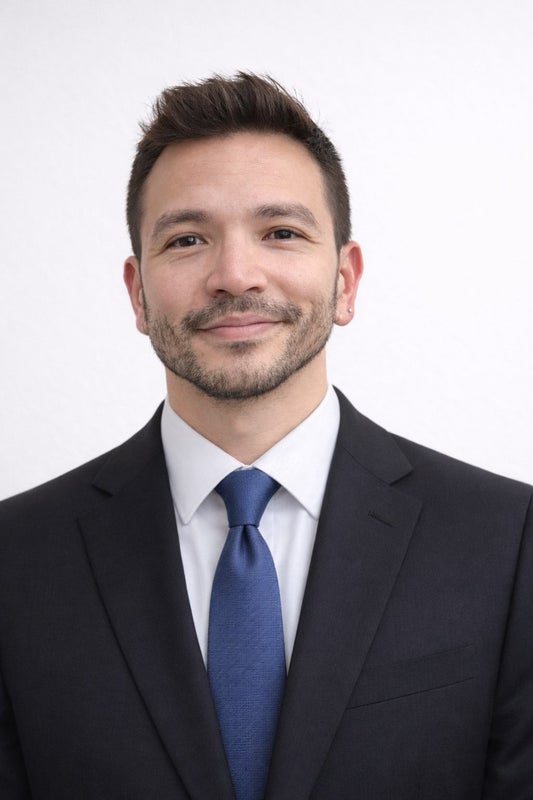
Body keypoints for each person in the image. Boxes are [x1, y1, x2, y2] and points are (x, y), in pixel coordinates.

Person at [0, 73, 531, 800]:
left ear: (345, 281)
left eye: (281, 232)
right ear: (138, 293)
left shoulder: (506, 540)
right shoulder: (17, 558)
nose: (234, 275)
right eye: (187, 240)